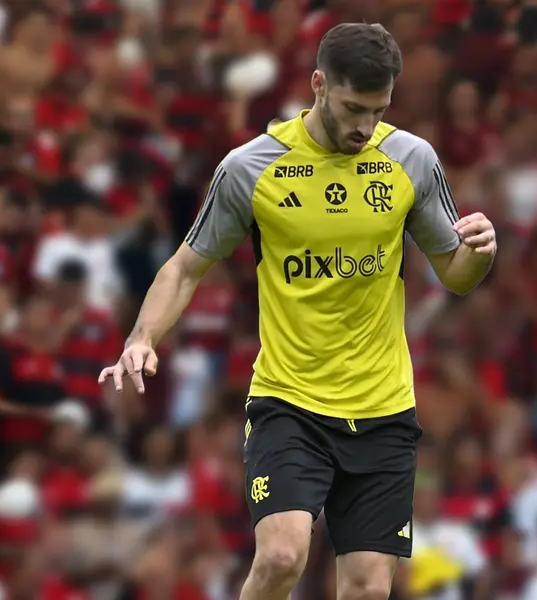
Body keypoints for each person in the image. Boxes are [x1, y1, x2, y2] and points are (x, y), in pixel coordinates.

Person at [98, 23, 497, 600]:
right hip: (291, 401)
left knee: (366, 587)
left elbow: (457, 275)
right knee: (283, 555)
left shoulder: (410, 159)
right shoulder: (251, 168)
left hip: (384, 405)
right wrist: (142, 337)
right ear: (317, 84)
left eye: (378, 109)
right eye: (353, 107)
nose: (365, 126)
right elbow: (184, 268)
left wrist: (482, 252)